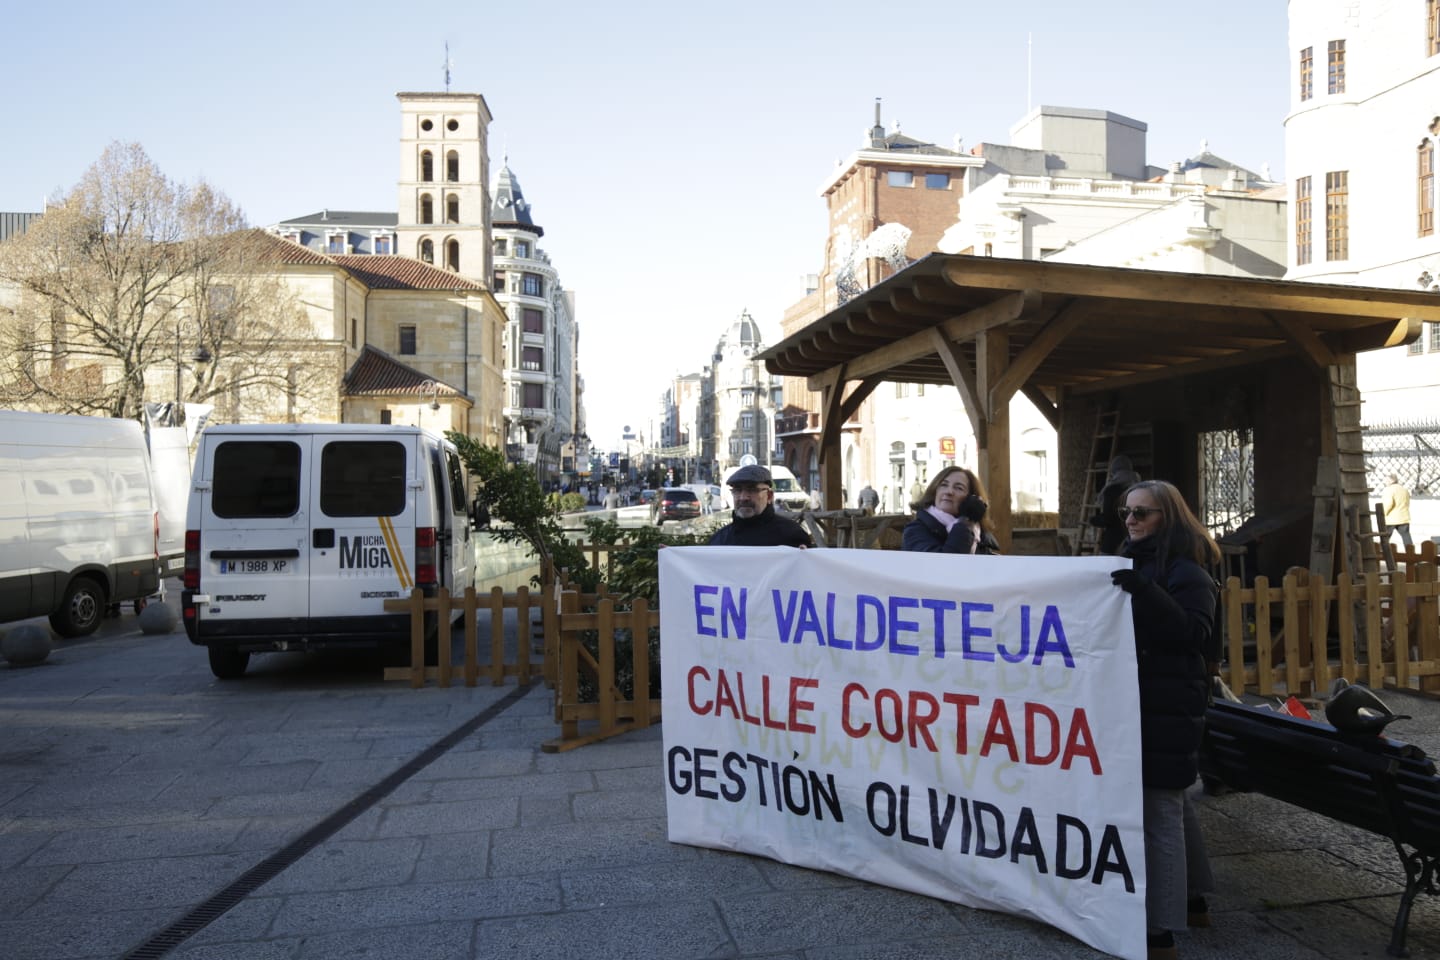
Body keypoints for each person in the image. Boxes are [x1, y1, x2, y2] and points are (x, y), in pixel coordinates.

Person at [1109, 480, 1220, 960]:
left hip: (1169, 703)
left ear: (1167, 519)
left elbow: (1194, 634)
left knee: (1160, 811)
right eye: (1127, 512)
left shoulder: (1188, 572)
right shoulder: (1128, 559)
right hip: (1143, 699)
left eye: (1143, 514)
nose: (1131, 521)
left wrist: (1147, 590)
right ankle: (1194, 899)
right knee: (1174, 804)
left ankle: (1161, 931)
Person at [901, 465, 1001, 554]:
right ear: (935, 491)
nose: (949, 492)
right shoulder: (916, 530)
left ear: (971, 498)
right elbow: (947, 566)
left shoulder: (977, 531)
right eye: (944, 485)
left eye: (958, 488)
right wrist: (965, 522)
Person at [708, 465, 814, 547]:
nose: (743, 497)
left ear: (769, 496)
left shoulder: (792, 535)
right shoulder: (719, 540)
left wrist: (802, 556)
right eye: (737, 490)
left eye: (752, 490)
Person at [1090, 455, 1142, 555]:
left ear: (1113, 471)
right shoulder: (1138, 488)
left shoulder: (1112, 490)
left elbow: (1108, 518)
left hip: (1113, 543)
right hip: (1134, 540)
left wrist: (1093, 520)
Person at [1382, 473, 1414, 550]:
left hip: (1391, 518)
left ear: (1391, 480)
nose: (1385, 482)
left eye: (1386, 480)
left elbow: (1388, 503)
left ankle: (1381, 553)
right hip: (1403, 517)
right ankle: (1410, 553)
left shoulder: (1389, 489)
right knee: (1406, 537)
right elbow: (1407, 503)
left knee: (1385, 538)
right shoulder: (1404, 489)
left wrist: (1383, 513)